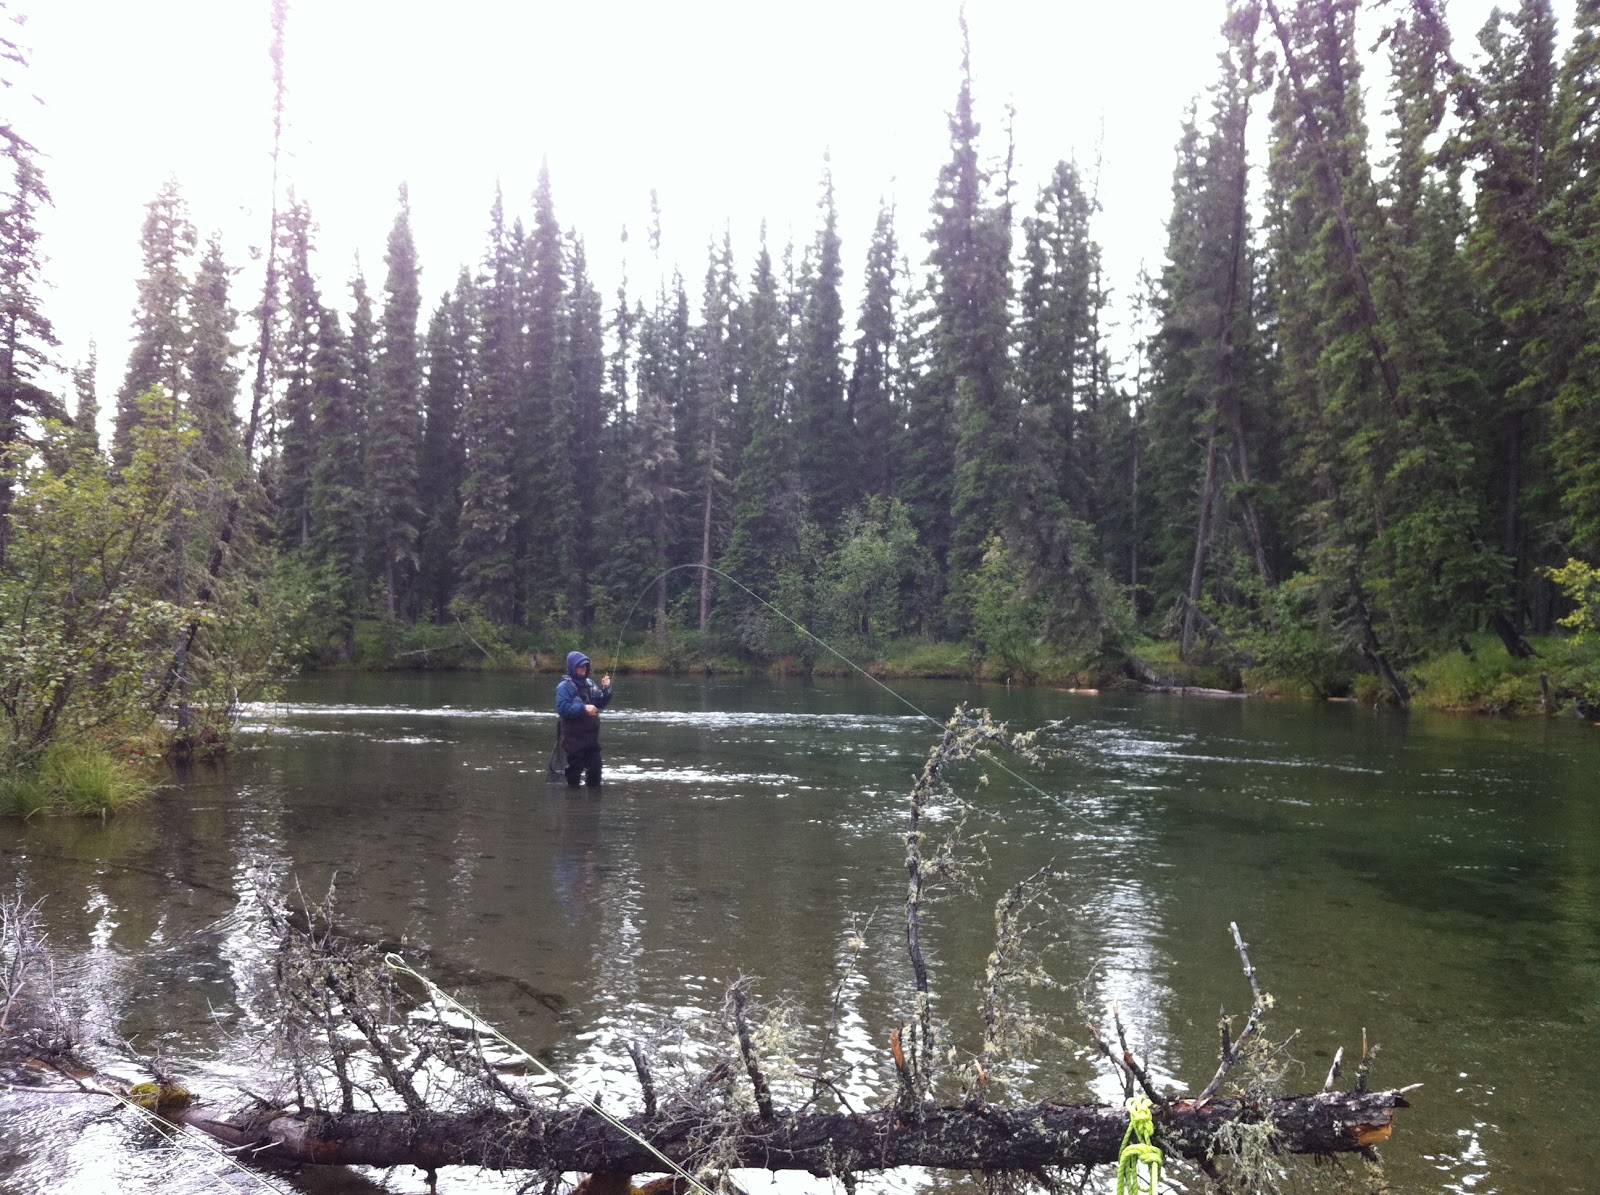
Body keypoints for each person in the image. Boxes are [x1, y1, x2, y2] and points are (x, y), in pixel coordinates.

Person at [555, 651, 613, 787]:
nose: (583, 668)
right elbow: (563, 709)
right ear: (572, 667)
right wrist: (584, 708)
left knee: (595, 771)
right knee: (574, 773)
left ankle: (592, 805)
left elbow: (601, 703)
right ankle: (573, 802)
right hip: (573, 739)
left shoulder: (590, 683)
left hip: (591, 739)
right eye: (580, 666)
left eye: (585, 666)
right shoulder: (564, 687)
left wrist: (606, 689)